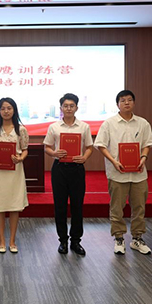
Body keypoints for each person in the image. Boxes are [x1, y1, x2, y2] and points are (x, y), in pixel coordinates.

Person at [94, 90, 152, 255]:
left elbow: (148, 144)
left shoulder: (143, 123)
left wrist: (143, 157)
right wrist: (113, 161)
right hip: (117, 172)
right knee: (117, 208)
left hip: (139, 173)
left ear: (134, 103)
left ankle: (137, 238)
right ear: (117, 104)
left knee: (139, 207)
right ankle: (119, 238)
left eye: (129, 100)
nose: (126, 103)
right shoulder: (109, 123)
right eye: (123, 100)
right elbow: (100, 145)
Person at [43, 93, 93, 256]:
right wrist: (54, 153)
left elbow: (89, 147)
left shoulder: (84, 127)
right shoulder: (54, 127)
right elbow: (47, 147)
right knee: (60, 206)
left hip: (77, 168)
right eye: (66, 106)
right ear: (61, 108)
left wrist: (84, 157)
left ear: (77, 108)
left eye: (72, 106)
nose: (69, 108)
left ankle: (76, 241)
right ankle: (63, 240)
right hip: (60, 168)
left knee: (77, 206)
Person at [0, 98, 29, 253]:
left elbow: (25, 150)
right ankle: (2, 241)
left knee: (14, 206)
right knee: (0, 206)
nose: (6, 111)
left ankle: (12, 241)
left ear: (14, 110)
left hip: (15, 171)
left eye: (9, 108)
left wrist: (20, 158)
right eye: (3, 108)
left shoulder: (21, 130)